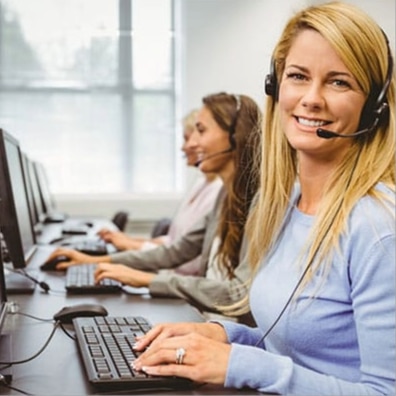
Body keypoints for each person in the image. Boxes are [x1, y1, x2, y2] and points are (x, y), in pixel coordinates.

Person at [125, 2, 395, 395]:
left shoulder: (377, 228)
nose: (312, 99)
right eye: (298, 76)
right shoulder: (288, 204)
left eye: (339, 82)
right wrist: (220, 336)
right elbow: (289, 350)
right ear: (275, 85)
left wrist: (240, 363)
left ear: (374, 106)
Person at [46, 92, 262, 321]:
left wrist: (147, 280)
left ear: (234, 136)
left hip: (234, 332)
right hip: (209, 319)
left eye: (201, 130)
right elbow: (176, 252)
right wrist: (96, 261)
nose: (192, 143)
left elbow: (238, 295)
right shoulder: (225, 196)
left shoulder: (261, 203)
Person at [98, 109, 223, 275]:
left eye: (187, 139)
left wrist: (133, 246)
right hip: (171, 277)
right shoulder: (201, 183)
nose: (185, 147)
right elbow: (176, 242)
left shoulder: (219, 191)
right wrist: (131, 240)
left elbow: (190, 261)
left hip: (179, 284)